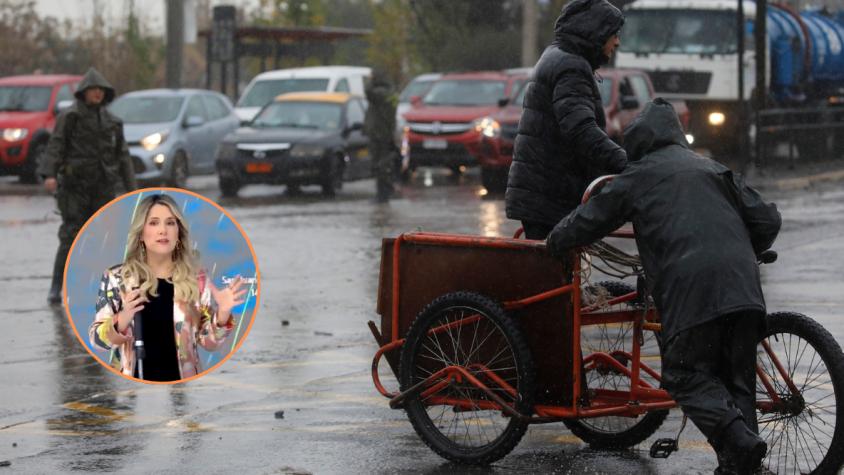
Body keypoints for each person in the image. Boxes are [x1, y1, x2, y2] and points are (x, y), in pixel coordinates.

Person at [546, 99, 782, 474]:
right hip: (744, 289)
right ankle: (741, 463)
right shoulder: (713, 168)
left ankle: (740, 443)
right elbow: (768, 219)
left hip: (693, 292)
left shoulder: (637, 176)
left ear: (636, 143)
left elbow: (588, 221)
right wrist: (740, 250)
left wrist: (553, 241)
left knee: (683, 374)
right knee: (737, 379)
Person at [87, 194, 246, 382]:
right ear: (141, 233)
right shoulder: (117, 278)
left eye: (170, 223)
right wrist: (123, 317)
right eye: (154, 223)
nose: (163, 230)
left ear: (179, 232)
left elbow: (209, 343)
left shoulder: (196, 278)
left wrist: (223, 314)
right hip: (134, 390)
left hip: (182, 392)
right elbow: (97, 341)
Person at [506, 0, 627, 240]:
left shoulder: (558, 56)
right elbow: (581, 130)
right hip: (551, 198)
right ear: (596, 32)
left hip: (543, 195)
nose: (617, 42)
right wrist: (627, 163)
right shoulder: (571, 66)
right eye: (613, 34)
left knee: (550, 273)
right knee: (555, 275)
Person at [39, 67, 137, 305]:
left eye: (101, 90)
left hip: (103, 187)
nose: (97, 94)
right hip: (75, 188)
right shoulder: (70, 117)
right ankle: (56, 286)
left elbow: (122, 156)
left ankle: (101, 285)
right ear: (84, 92)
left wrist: (132, 188)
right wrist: (49, 174)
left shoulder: (113, 122)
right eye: (93, 90)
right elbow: (56, 145)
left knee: (104, 238)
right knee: (71, 236)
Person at [364, 69, 398, 203]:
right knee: (383, 164)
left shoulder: (381, 93)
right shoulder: (391, 92)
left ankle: (383, 194)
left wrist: (370, 81)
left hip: (380, 133)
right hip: (385, 132)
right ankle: (386, 191)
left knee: (380, 165)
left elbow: (368, 92)